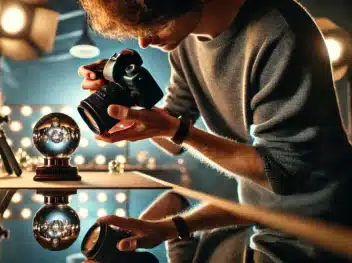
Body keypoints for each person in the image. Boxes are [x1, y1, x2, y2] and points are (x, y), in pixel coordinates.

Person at [77, 0, 352, 262]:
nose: (144, 42)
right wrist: (125, 99)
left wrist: (175, 130)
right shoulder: (185, 44)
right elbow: (173, 140)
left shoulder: (278, 32)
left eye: (154, 25)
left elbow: (284, 175)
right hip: (260, 219)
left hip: (324, 234)